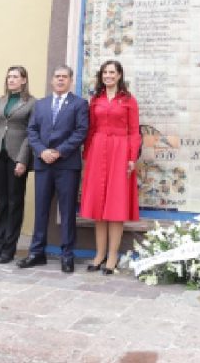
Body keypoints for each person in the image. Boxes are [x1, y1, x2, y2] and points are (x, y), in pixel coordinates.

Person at [18, 65, 89, 273]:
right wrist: (42, 151)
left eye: (64, 77)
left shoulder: (79, 104)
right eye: (57, 77)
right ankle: (36, 253)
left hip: (66, 164)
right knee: (41, 210)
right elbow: (31, 130)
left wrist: (58, 151)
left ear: (70, 81)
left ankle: (67, 255)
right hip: (43, 163)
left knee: (66, 211)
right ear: (52, 80)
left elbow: (81, 131)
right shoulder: (41, 104)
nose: (60, 80)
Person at [80, 60, 141, 274]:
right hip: (98, 150)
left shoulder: (128, 100)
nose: (108, 75)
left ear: (119, 75)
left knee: (115, 204)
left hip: (120, 150)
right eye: (105, 72)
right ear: (101, 76)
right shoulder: (95, 99)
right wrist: (87, 154)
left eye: (112, 72)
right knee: (98, 205)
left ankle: (112, 256)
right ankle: (99, 253)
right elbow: (90, 129)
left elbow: (134, 131)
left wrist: (132, 157)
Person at [0, 66, 36, 264]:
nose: (11, 79)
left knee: (14, 203)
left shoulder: (31, 103)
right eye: (9, 76)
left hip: (16, 157)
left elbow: (32, 133)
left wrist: (23, 159)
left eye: (15, 77)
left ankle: (9, 248)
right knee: (0, 202)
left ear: (23, 80)